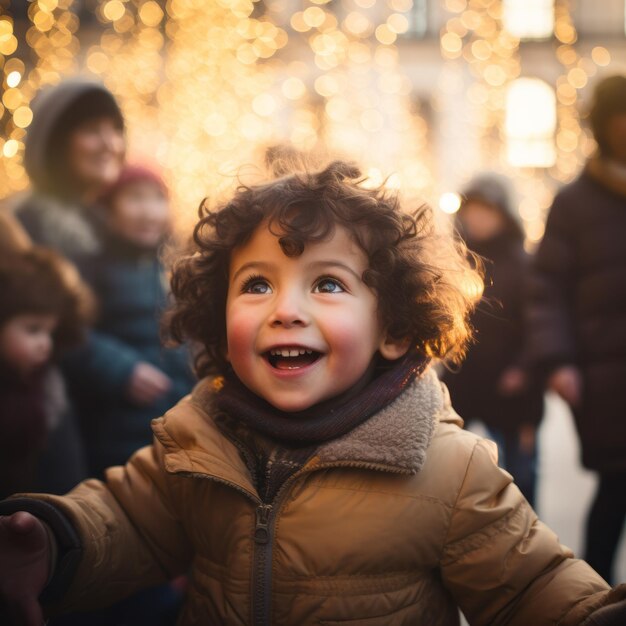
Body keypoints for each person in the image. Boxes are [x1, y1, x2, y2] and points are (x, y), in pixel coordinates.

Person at [1, 157, 625, 626]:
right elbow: (128, 522)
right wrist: (58, 540)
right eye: (255, 285)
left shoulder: (449, 471)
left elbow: (529, 587)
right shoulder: (198, 438)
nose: (285, 310)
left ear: (394, 328)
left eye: (326, 285)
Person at [527, 74, 626, 586]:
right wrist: (559, 361)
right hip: (606, 375)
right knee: (616, 487)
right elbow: (547, 290)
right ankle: (596, 598)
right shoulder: (574, 204)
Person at [64, 163, 195, 478]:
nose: (148, 212)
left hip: (178, 427)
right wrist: (121, 369)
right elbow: (66, 332)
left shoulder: (177, 269)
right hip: (115, 432)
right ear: (109, 209)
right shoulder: (89, 268)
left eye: (157, 199)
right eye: (135, 198)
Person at [442, 173, 544, 507]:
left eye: (487, 211)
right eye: (472, 210)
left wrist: (523, 369)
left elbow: (539, 324)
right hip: (464, 381)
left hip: (512, 389)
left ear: (502, 214)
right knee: (447, 471)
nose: (477, 219)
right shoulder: (456, 263)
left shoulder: (524, 264)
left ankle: (525, 548)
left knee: (519, 477)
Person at [0, 243, 92, 499]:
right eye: (33, 329)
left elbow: (66, 477)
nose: (46, 344)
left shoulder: (49, 391)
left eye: (50, 332)